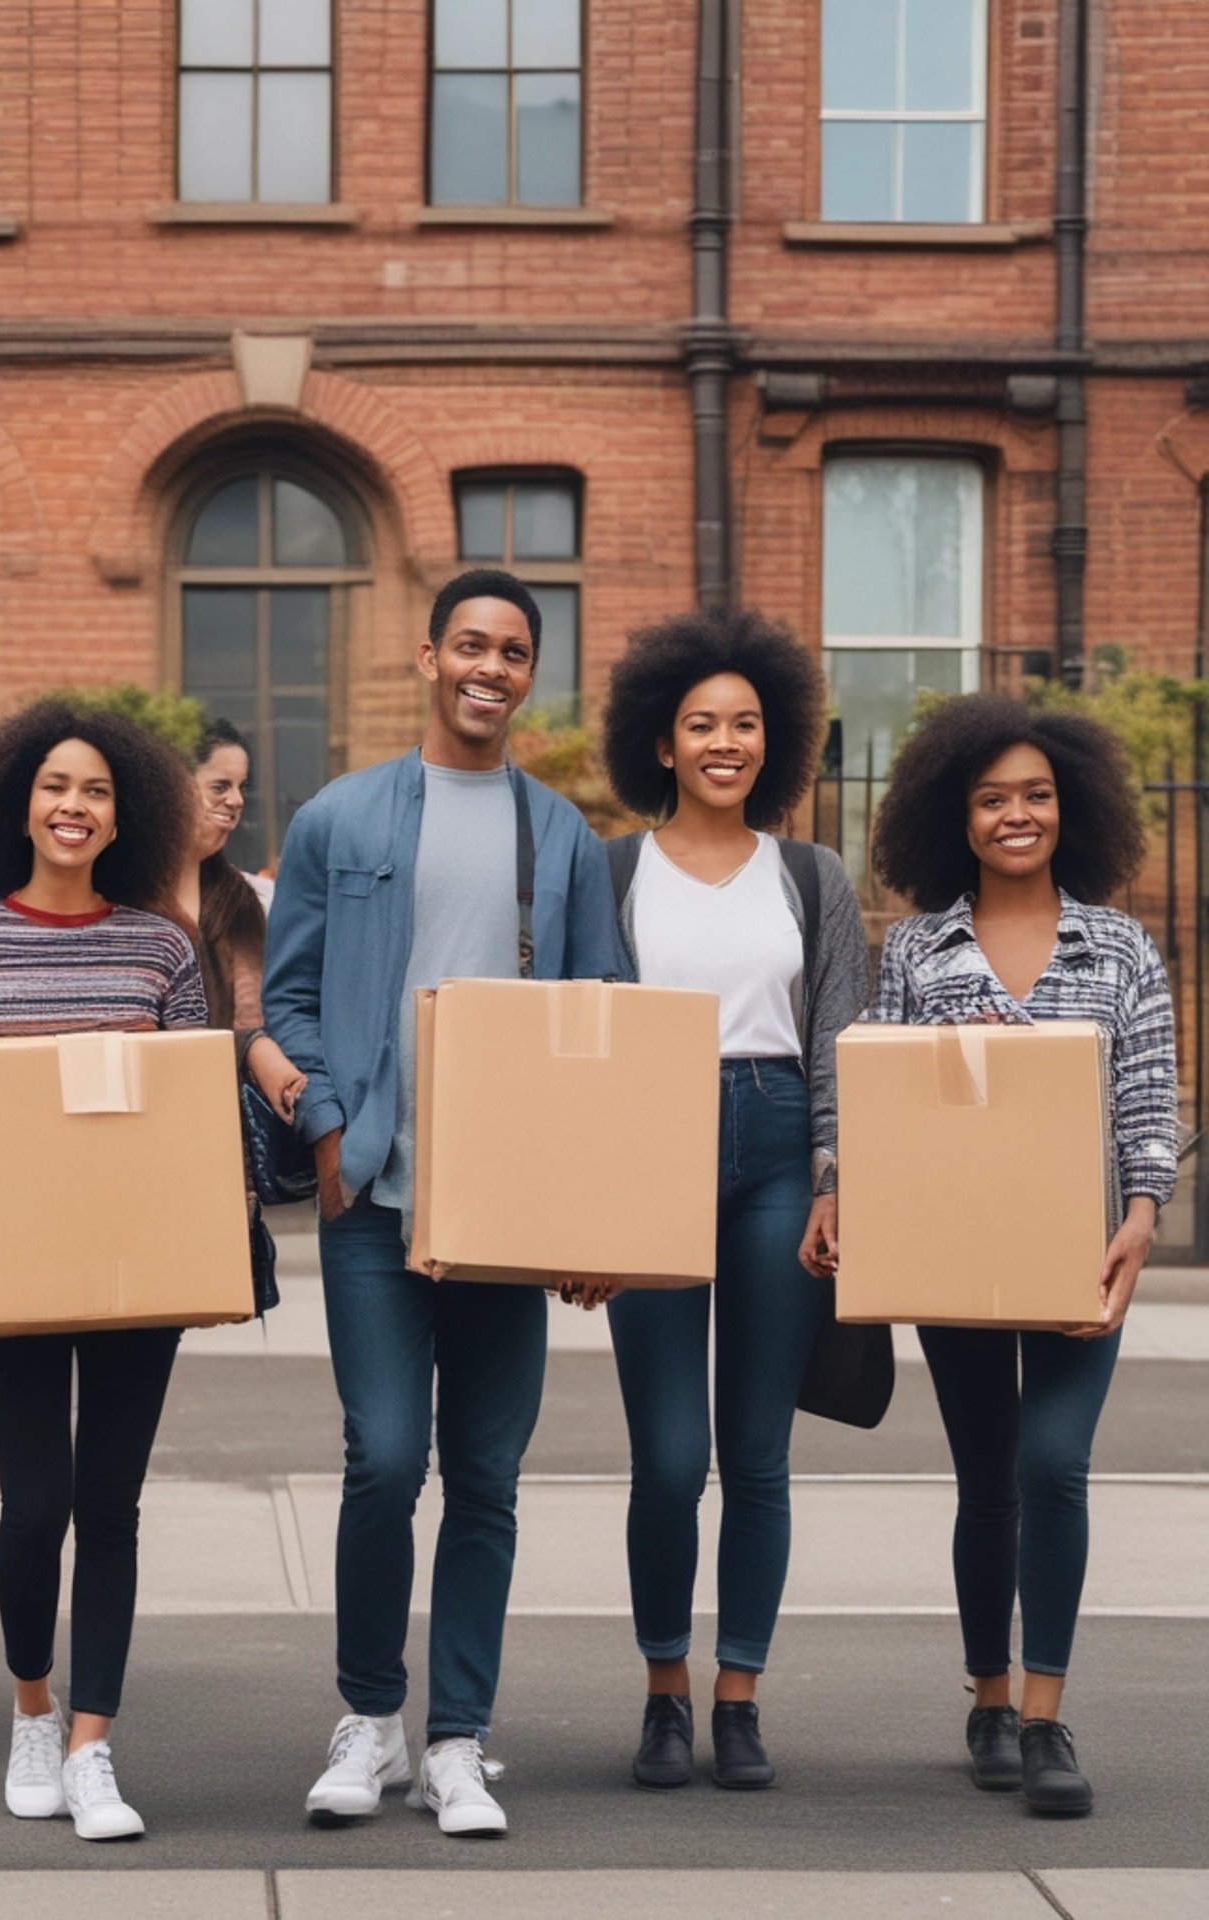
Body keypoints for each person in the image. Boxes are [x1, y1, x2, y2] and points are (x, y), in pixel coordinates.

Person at [262, 567, 627, 1836]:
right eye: (469, 644)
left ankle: (460, 1739)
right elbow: (287, 999)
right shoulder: (343, 819)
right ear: (428, 657)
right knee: (383, 1459)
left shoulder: (562, 837)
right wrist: (323, 1123)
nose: (490, 668)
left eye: (514, 651)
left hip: (508, 1219)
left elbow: (601, 1032)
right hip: (373, 1199)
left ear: (531, 673)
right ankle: (369, 1722)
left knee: (483, 1477)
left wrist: (587, 1215)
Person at [0, 700, 207, 1842]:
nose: (75, 807)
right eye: (57, 787)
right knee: (36, 1503)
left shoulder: (163, 945)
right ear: (18, 800)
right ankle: (30, 1706)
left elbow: (191, 1117)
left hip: (134, 1264)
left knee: (109, 1505)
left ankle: (92, 1745)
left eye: (99, 792)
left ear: (128, 815)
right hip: (12, 1259)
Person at [868, 693, 1175, 1817]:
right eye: (993, 798)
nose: (1017, 815)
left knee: (1055, 1465)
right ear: (957, 816)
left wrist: (1141, 1219)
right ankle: (987, 1699)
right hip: (957, 1254)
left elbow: (1148, 1095)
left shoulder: (1124, 947)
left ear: (1070, 807)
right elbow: (885, 1101)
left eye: (1036, 796)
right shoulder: (916, 949)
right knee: (988, 1477)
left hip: (1083, 1248)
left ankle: (1046, 1716)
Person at [597, 608, 869, 1791]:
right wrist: (583, 1203)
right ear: (661, 743)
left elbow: (844, 1040)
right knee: (667, 1456)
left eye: (746, 724)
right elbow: (582, 1041)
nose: (725, 742)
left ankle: (740, 1693)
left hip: (775, 1152)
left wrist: (833, 1182)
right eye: (701, 724)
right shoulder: (608, 871)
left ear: (777, 740)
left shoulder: (812, 877)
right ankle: (665, 1689)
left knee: (757, 1452)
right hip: (646, 1145)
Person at [176, 717, 308, 1293]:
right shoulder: (115, 896)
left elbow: (285, 1012)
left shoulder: (256, 902)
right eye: (219, 786)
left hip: (222, 1157)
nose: (234, 803)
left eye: (240, 789)